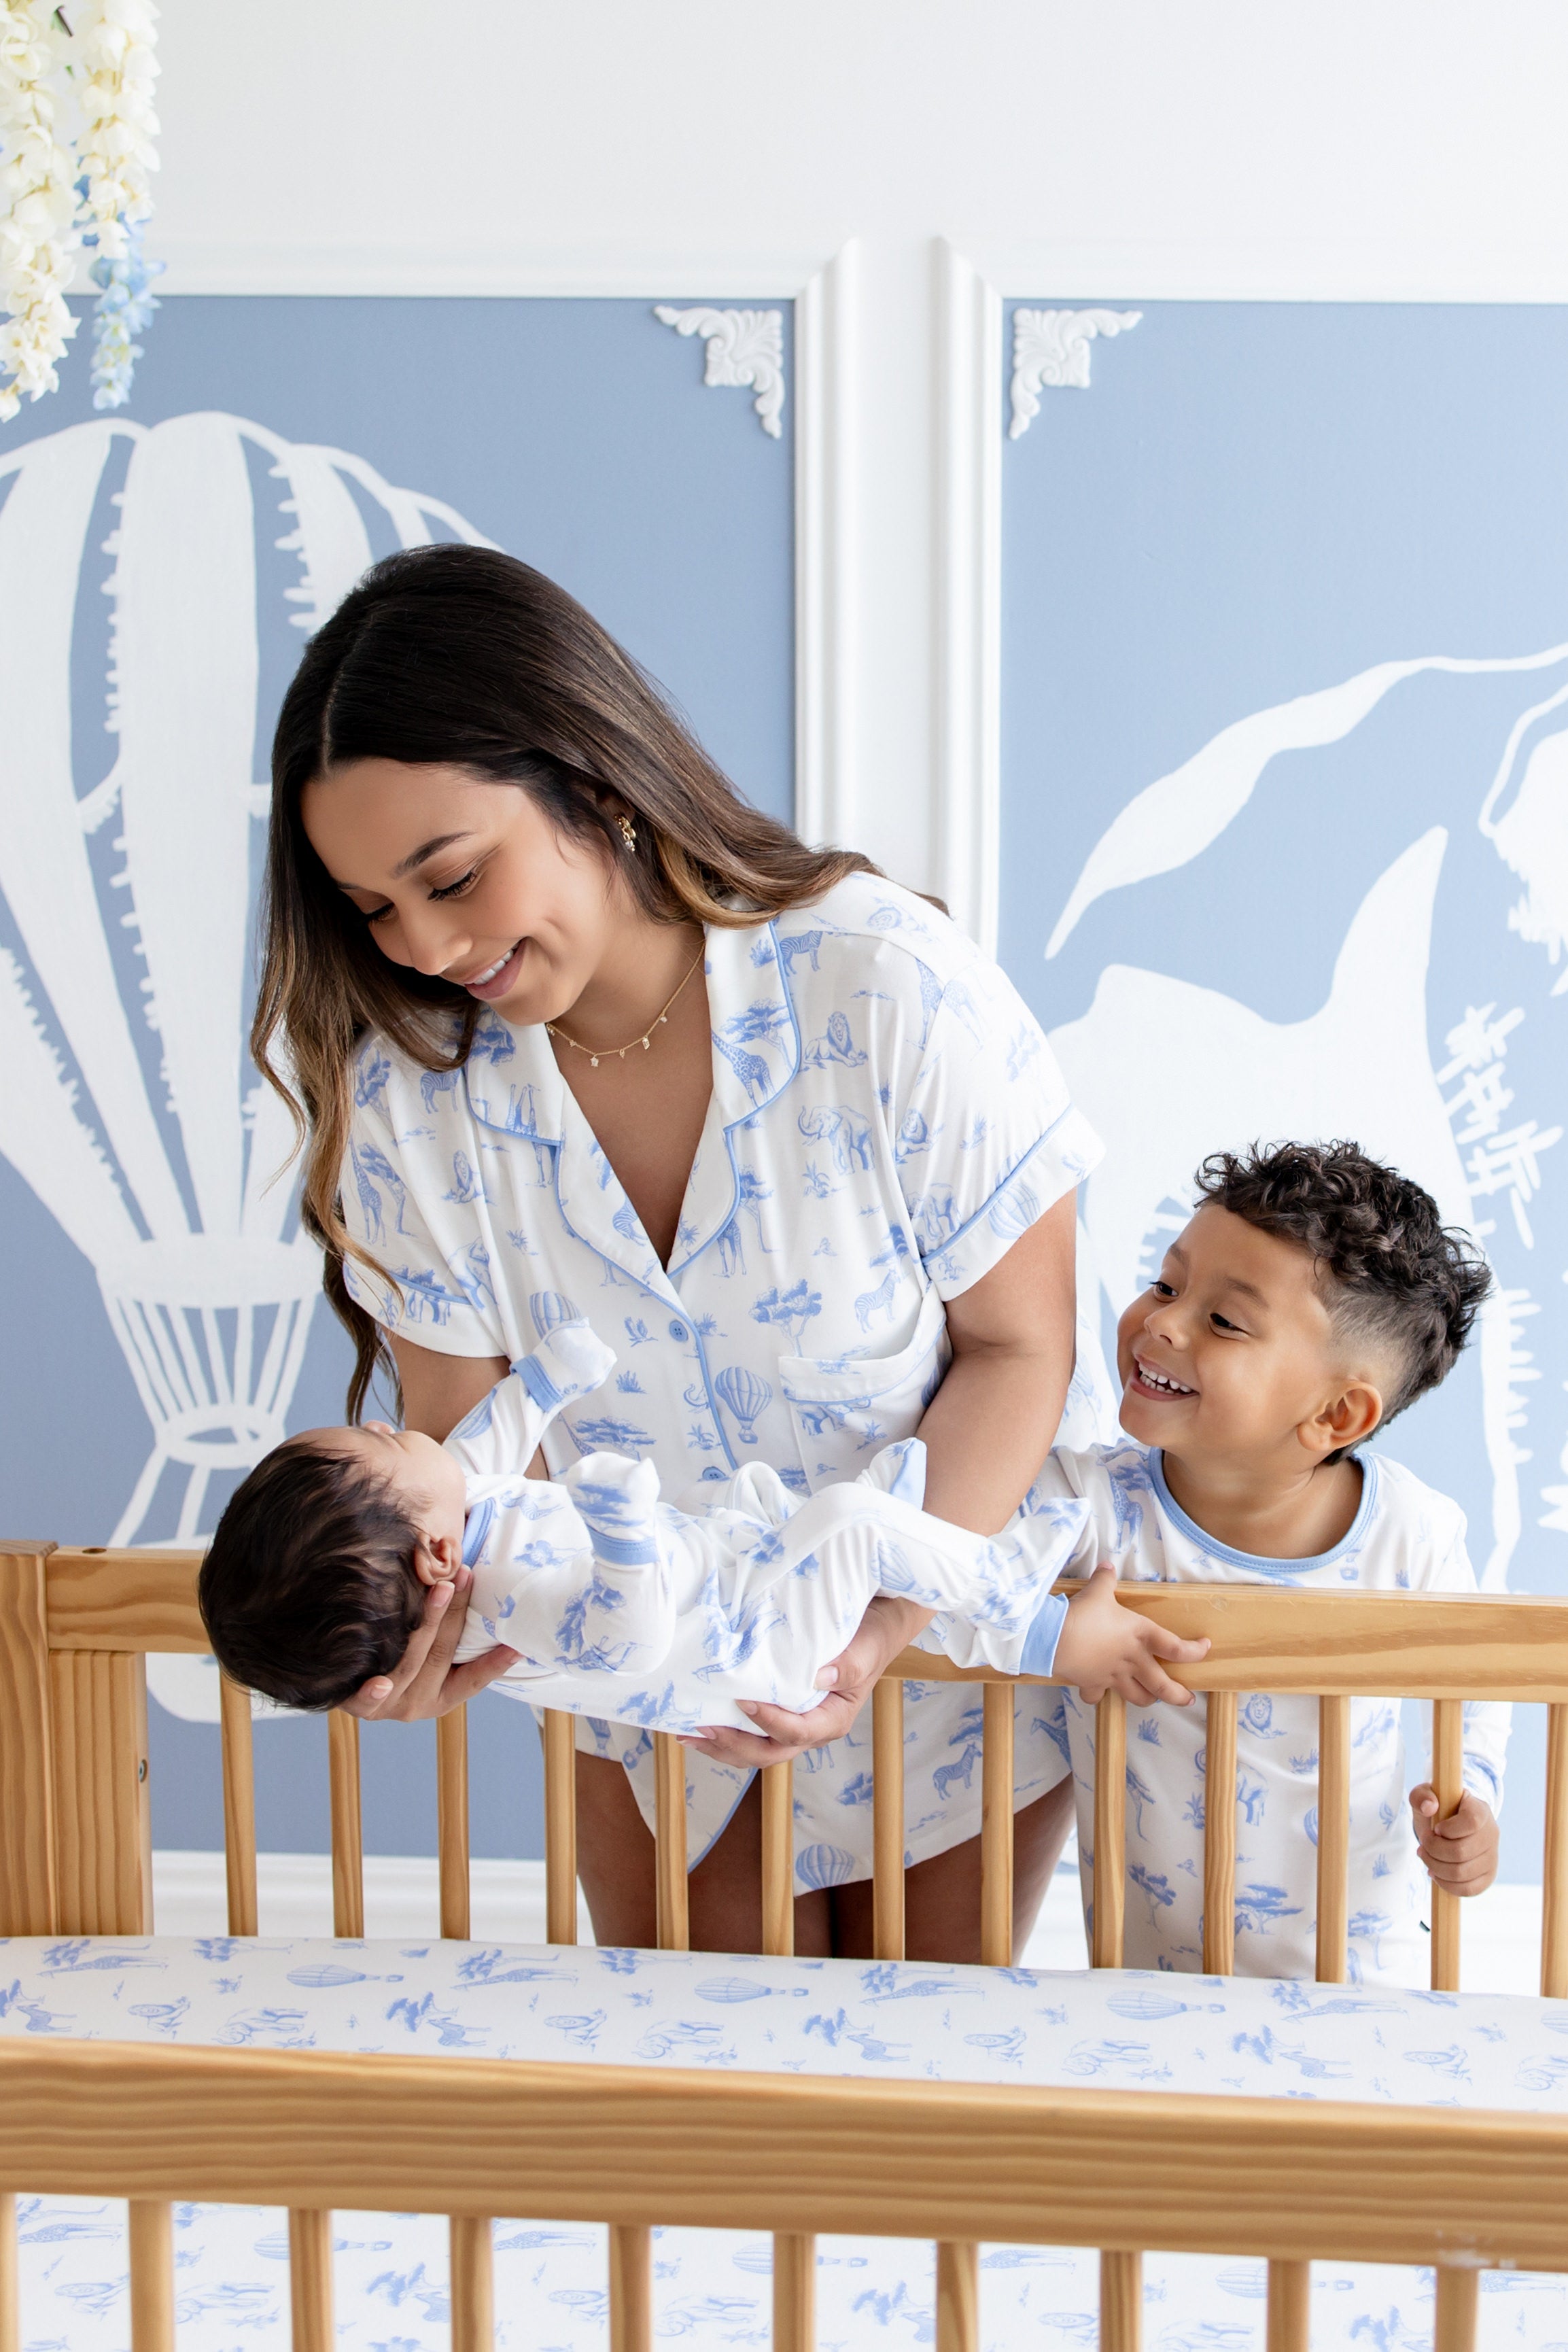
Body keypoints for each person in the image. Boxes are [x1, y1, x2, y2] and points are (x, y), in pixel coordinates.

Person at [254, 541, 1112, 1960]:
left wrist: (876, 1625)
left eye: (453, 876)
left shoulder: (878, 983)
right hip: (650, 1689)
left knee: (929, 2128)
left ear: (591, 780)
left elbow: (1022, 1345)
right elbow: (475, 1450)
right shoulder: (412, 1105)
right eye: (373, 910)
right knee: (712, 2139)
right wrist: (458, 1623)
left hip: (939, 1650)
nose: (423, 944)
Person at [1020, 1139, 1508, 1982]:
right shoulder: (1096, 1509)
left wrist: (1471, 1803)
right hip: (1148, 1977)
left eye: (1222, 1321)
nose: (1161, 1322)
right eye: (1168, 1284)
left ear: (1336, 1415)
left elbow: (1473, 1692)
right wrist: (1050, 1628)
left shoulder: (1413, 1536)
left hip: (1362, 1977)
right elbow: (951, 1579)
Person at [198, 1322, 1206, 1723]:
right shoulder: (508, 1597)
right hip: (751, 1649)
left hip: (731, 1580)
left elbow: (488, 1435)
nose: (387, 1421)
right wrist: (624, 1541)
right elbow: (621, 1637)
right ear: (436, 1554)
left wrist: (546, 1381)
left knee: (801, 1515)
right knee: (852, 1523)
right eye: (377, 1441)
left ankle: (930, 1546)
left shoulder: (463, 1518)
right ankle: (1029, 1620)